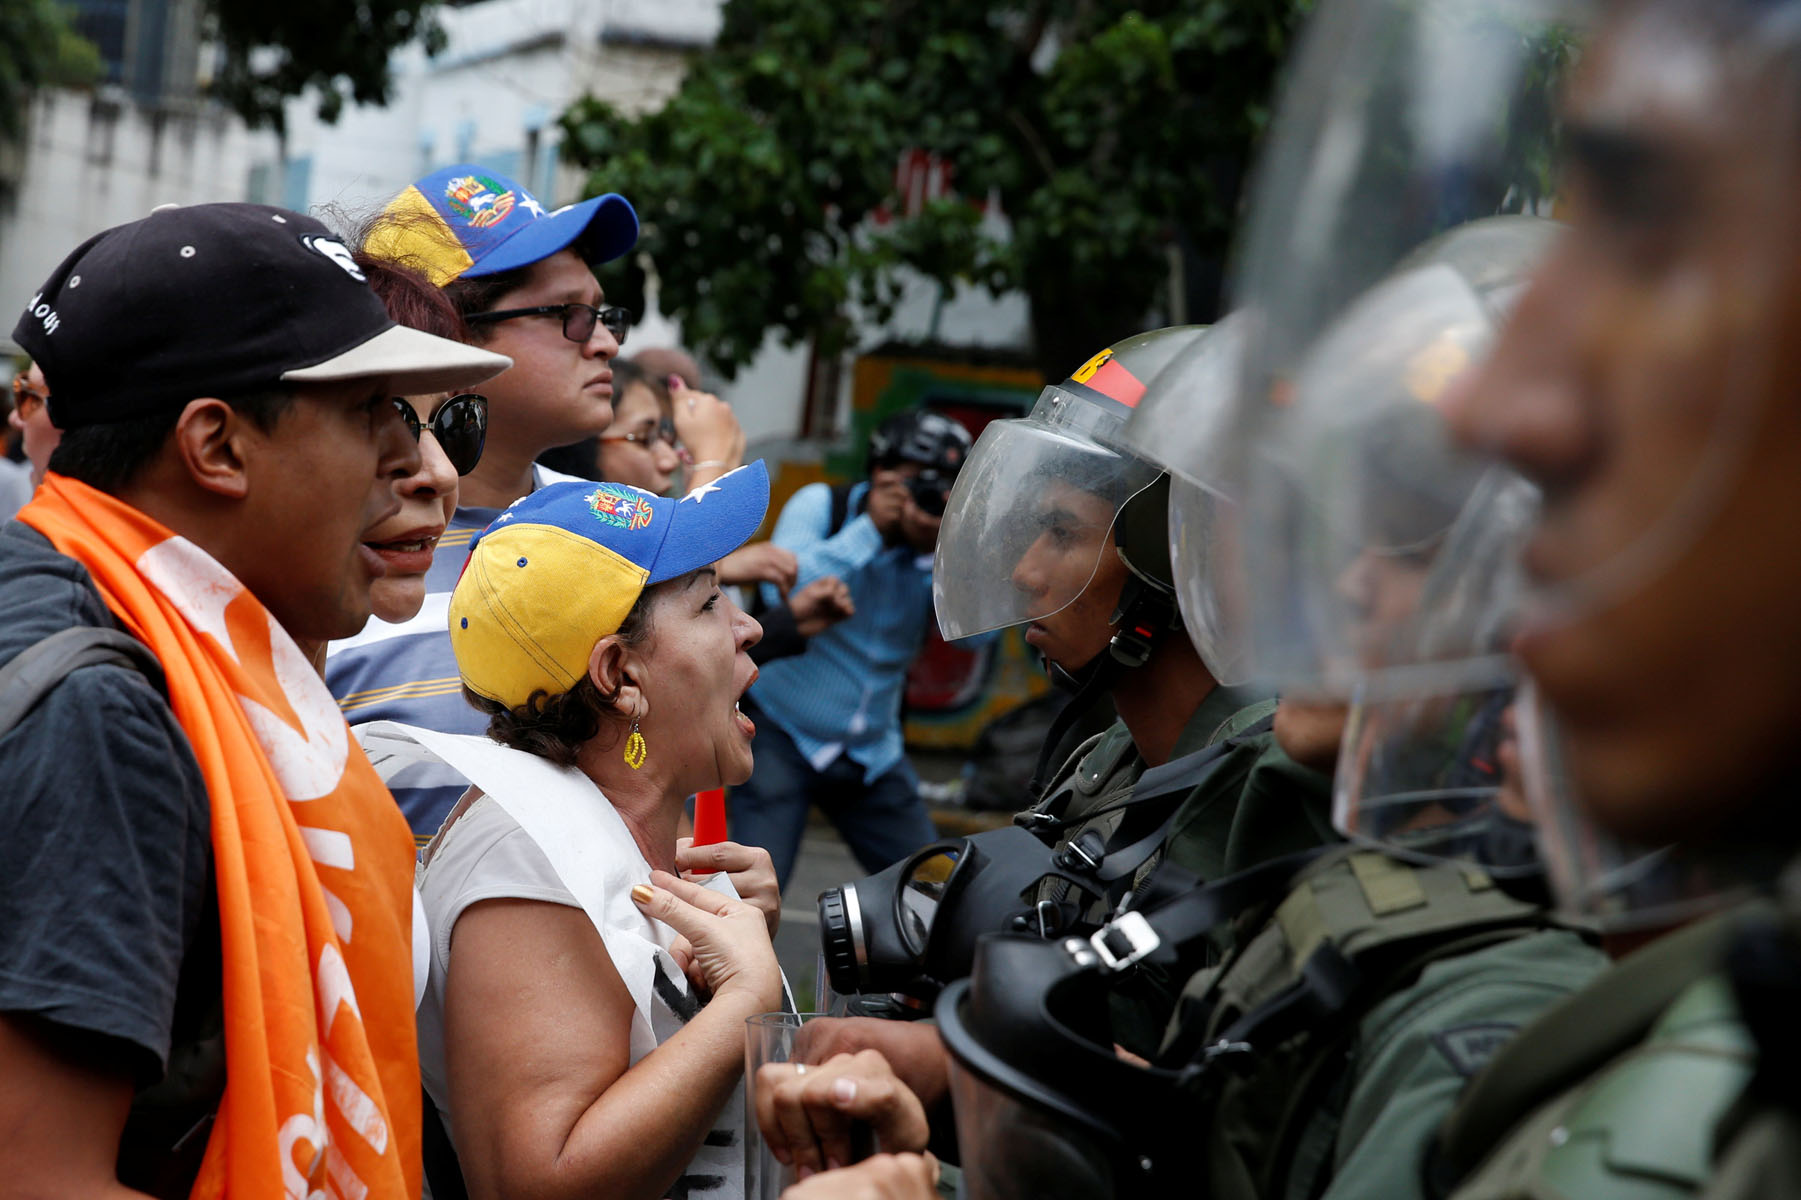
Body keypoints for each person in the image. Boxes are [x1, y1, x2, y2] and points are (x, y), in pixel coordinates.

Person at [0, 202, 508, 1198]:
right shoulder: (106, 716)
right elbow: (39, 1177)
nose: (416, 466)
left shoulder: (62, 584)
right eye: (372, 414)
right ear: (216, 447)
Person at [364, 462, 787, 1200]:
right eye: (710, 603)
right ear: (620, 675)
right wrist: (744, 1003)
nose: (749, 627)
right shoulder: (527, 857)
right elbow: (537, 1183)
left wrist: (728, 956)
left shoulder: (601, 835)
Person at [326, 162, 640, 843]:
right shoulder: (327, 560)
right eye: (569, 317)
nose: (608, 341)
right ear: (441, 332)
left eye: (605, 314)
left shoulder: (625, 532)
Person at [726, 409, 973, 889]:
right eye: (915, 481)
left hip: (873, 753)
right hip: (782, 733)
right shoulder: (821, 504)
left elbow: (976, 634)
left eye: (944, 485)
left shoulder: (939, 544)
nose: (929, 495)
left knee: (937, 895)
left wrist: (943, 551)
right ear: (880, 473)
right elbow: (783, 592)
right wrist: (870, 534)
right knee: (752, 895)